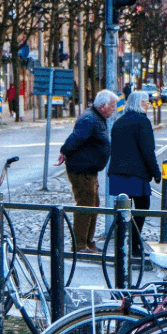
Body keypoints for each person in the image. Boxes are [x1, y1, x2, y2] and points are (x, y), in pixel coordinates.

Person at [57, 89, 114, 251]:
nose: (114, 109)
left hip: (89, 170)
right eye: (112, 106)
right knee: (85, 205)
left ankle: (88, 241)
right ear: (103, 106)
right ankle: (80, 245)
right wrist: (64, 151)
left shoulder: (96, 116)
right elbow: (77, 137)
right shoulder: (90, 118)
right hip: (81, 170)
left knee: (93, 204)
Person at [108, 91, 160, 255]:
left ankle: (123, 245)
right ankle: (135, 245)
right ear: (139, 104)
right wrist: (156, 172)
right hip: (136, 175)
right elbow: (148, 151)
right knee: (142, 208)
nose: (148, 106)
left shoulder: (119, 122)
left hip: (117, 174)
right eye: (146, 102)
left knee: (123, 211)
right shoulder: (142, 122)